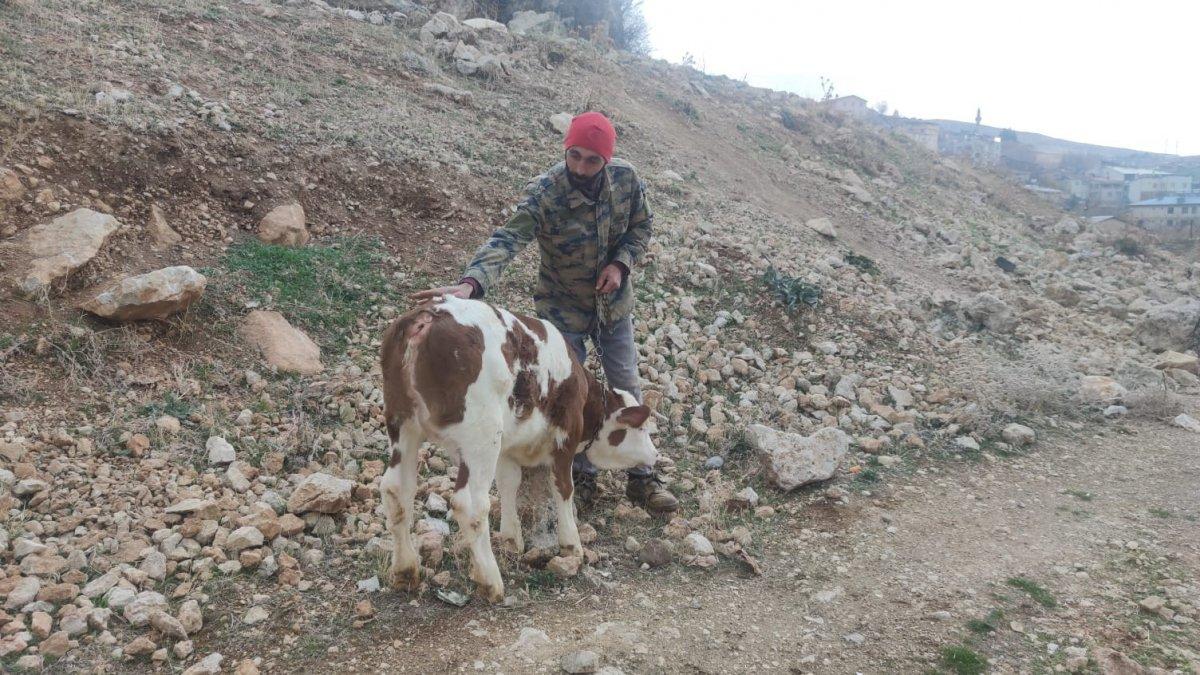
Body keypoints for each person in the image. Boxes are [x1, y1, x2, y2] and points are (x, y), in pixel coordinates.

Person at [411, 111, 678, 515]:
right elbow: (508, 238)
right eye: (575, 156)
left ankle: (643, 479)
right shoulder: (546, 191)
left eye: (592, 160)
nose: (581, 167)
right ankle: (582, 474)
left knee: (625, 381)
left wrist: (620, 264)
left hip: (613, 305)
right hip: (562, 307)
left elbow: (641, 228)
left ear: (607, 160)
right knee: (573, 390)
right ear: (566, 149)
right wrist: (471, 285)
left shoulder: (626, 180)